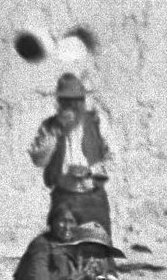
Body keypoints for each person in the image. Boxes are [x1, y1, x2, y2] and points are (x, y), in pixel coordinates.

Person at [30, 72, 113, 237]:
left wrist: (90, 171)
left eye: (75, 102)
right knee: (62, 251)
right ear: (59, 103)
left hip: (93, 198)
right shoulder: (50, 126)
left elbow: (113, 157)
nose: (70, 107)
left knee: (96, 250)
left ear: (82, 102)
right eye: (65, 102)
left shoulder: (97, 122)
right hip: (63, 199)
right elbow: (38, 160)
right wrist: (55, 133)